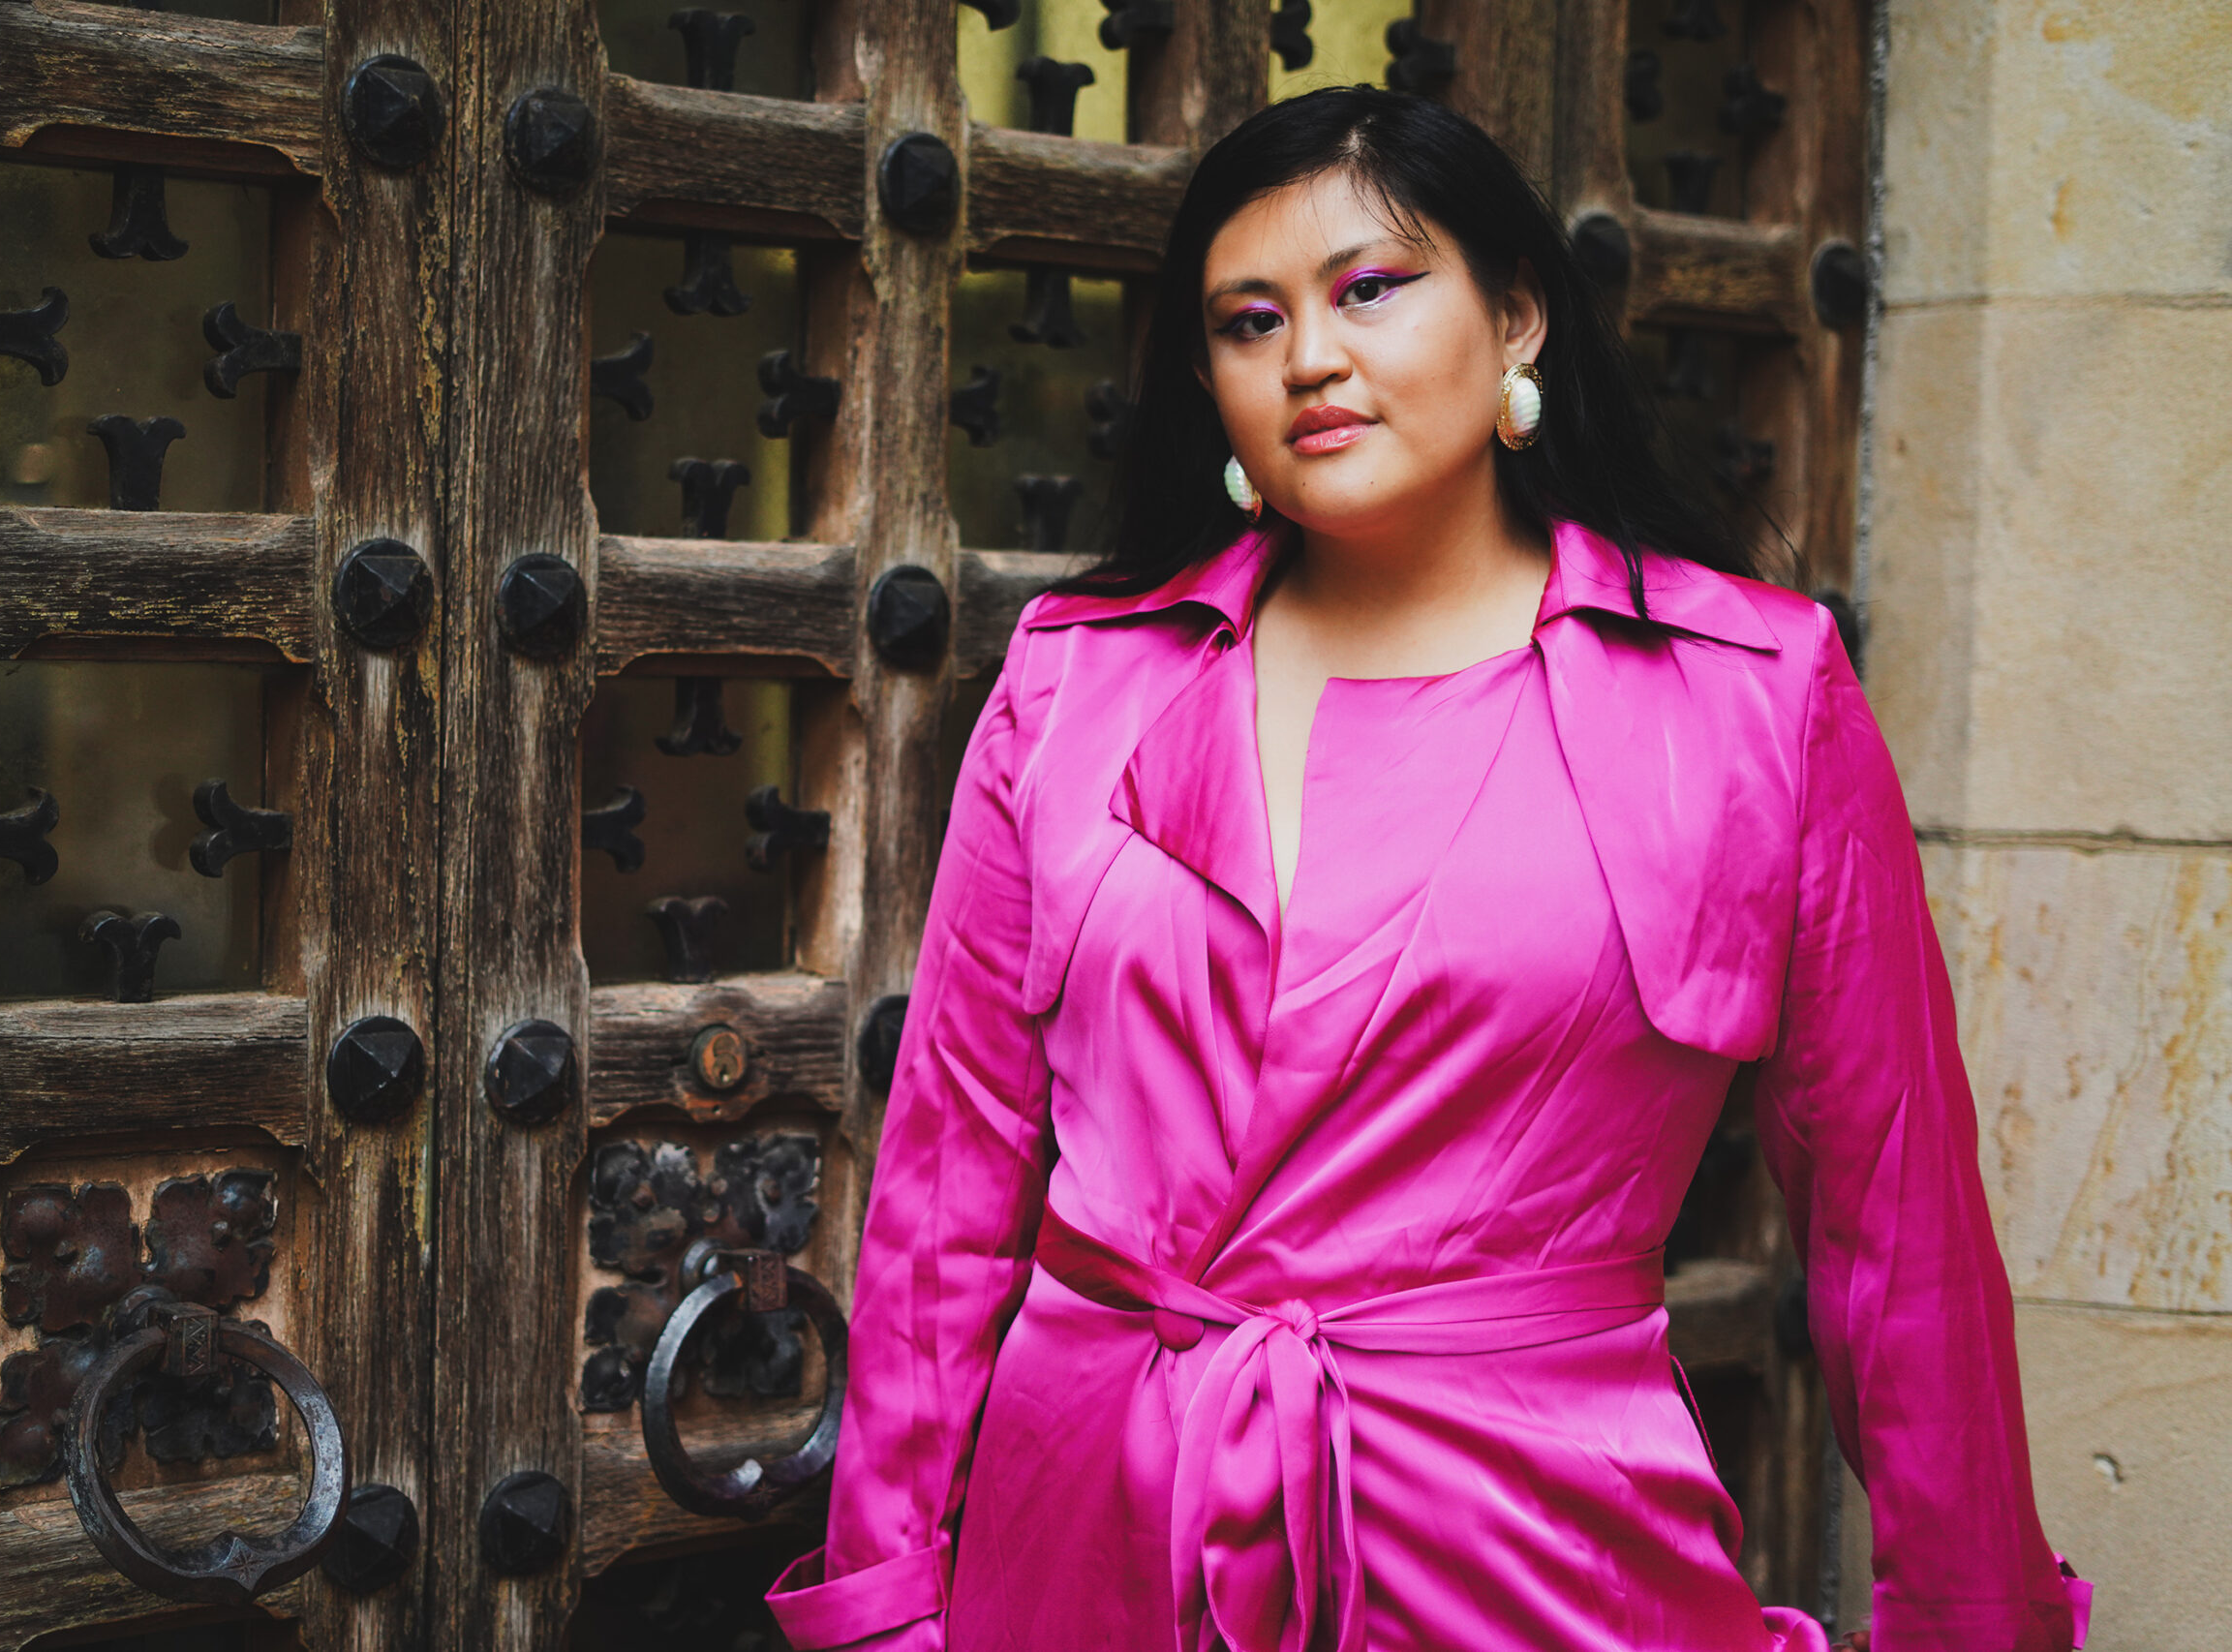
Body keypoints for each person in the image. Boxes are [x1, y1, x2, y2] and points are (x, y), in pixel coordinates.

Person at [762, 86, 2094, 1652]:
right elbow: (946, 1187)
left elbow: (1898, 1224)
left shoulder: (1751, 696)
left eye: (1371, 289)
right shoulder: (1077, 683)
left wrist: (1972, 1619)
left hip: (1527, 1541)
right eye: (1250, 320)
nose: (1309, 358)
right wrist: (884, 1604)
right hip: (1092, 1535)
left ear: (1517, 316)